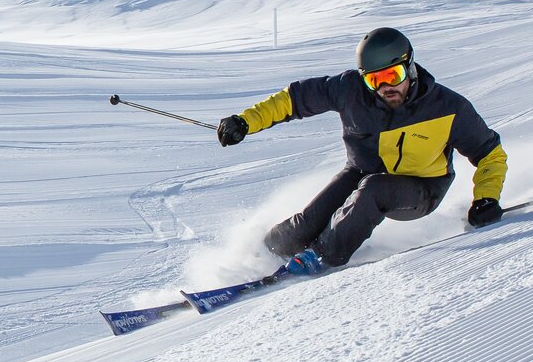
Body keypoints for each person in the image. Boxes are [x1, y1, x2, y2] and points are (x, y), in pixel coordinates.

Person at [216, 27, 508, 275]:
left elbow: (490, 154)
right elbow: (294, 99)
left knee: (373, 189)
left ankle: (321, 256)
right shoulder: (350, 90)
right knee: (306, 223)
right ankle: (262, 256)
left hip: (422, 188)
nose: (385, 87)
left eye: (392, 75)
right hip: (360, 172)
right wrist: (245, 121)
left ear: (410, 66)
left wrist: (486, 198)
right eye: (374, 80)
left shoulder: (448, 108)